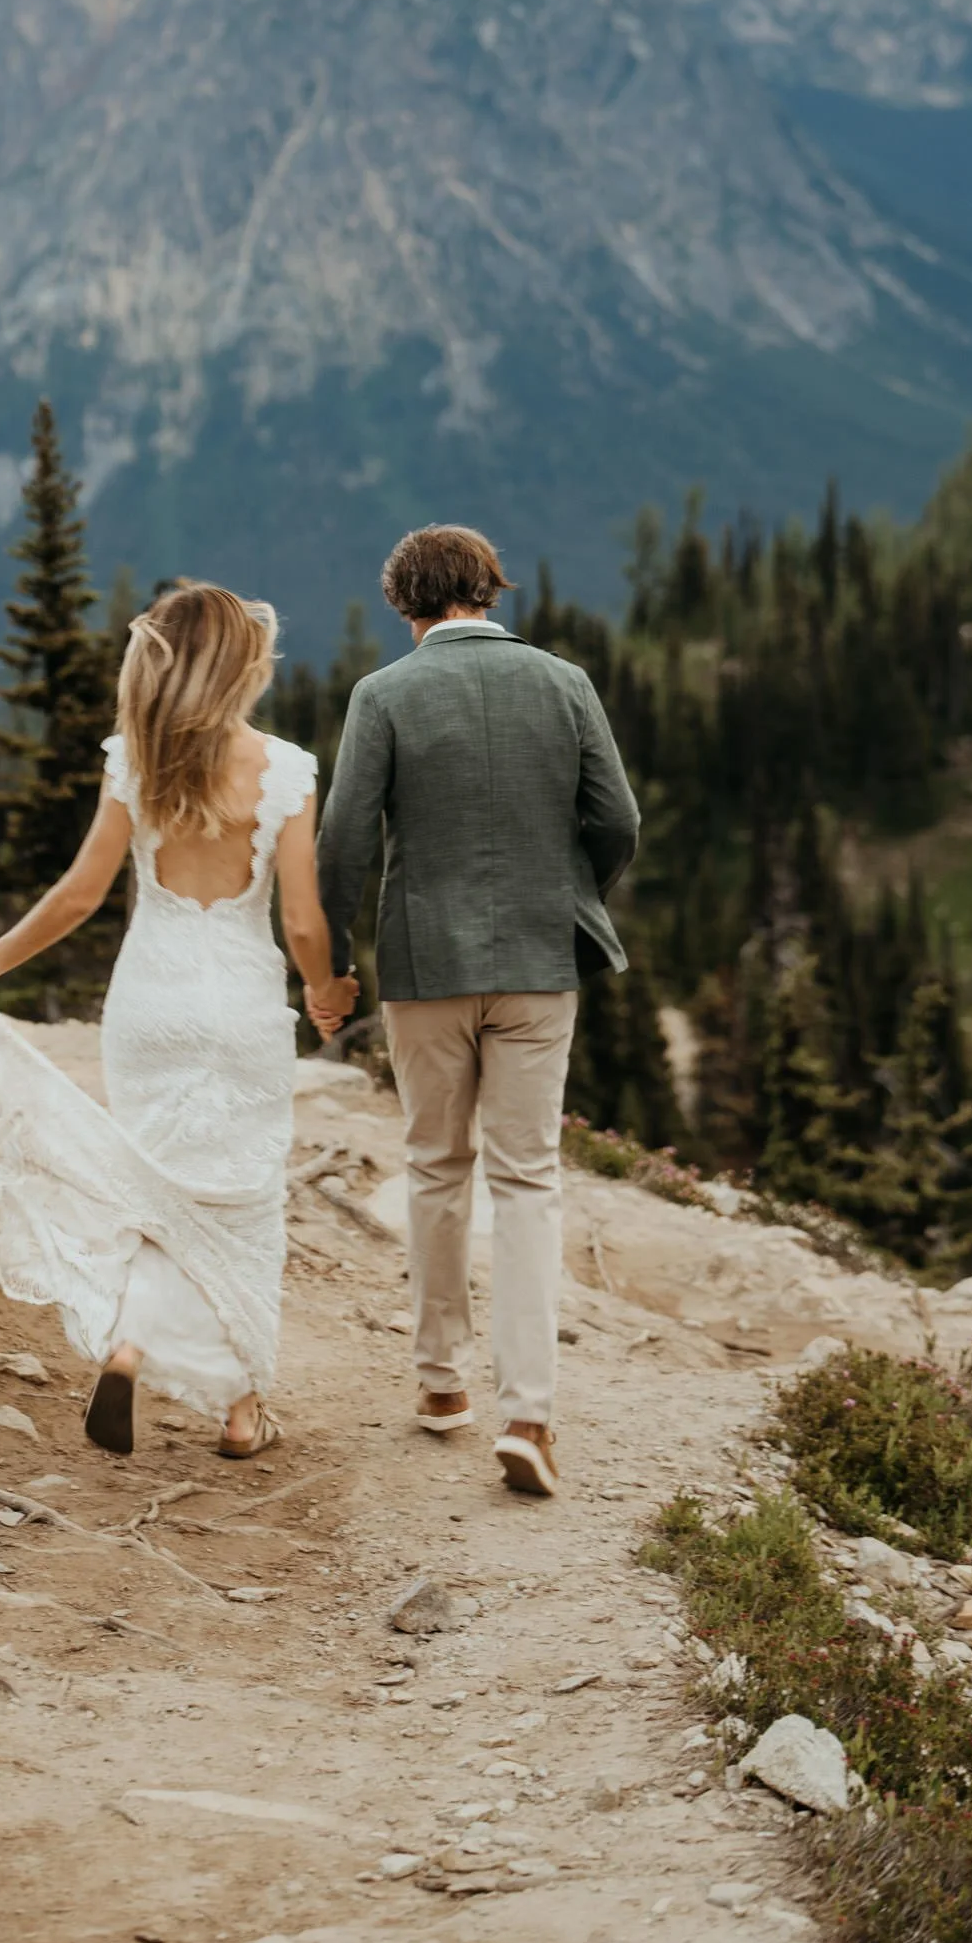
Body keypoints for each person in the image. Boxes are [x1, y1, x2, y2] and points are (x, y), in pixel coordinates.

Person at [0, 581, 353, 1460]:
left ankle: (128, 1345)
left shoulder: (136, 762)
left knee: (158, 1192)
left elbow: (80, 895)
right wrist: (325, 990)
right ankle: (242, 1413)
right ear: (243, 668)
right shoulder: (290, 771)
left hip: (150, 1003)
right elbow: (305, 922)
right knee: (242, 1202)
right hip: (238, 1001)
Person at [316, 523, 639, 1499]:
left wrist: (332, 961)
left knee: (434, 1167)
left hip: (425, 969)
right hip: (540, 965)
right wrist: (573, 895)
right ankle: (529, 1413)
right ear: (488, 592)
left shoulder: (382, 696)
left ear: (404, 602)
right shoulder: (563, 682)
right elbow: (616, 819)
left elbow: (340, 845)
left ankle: (439, 1386)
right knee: (528, 1178)